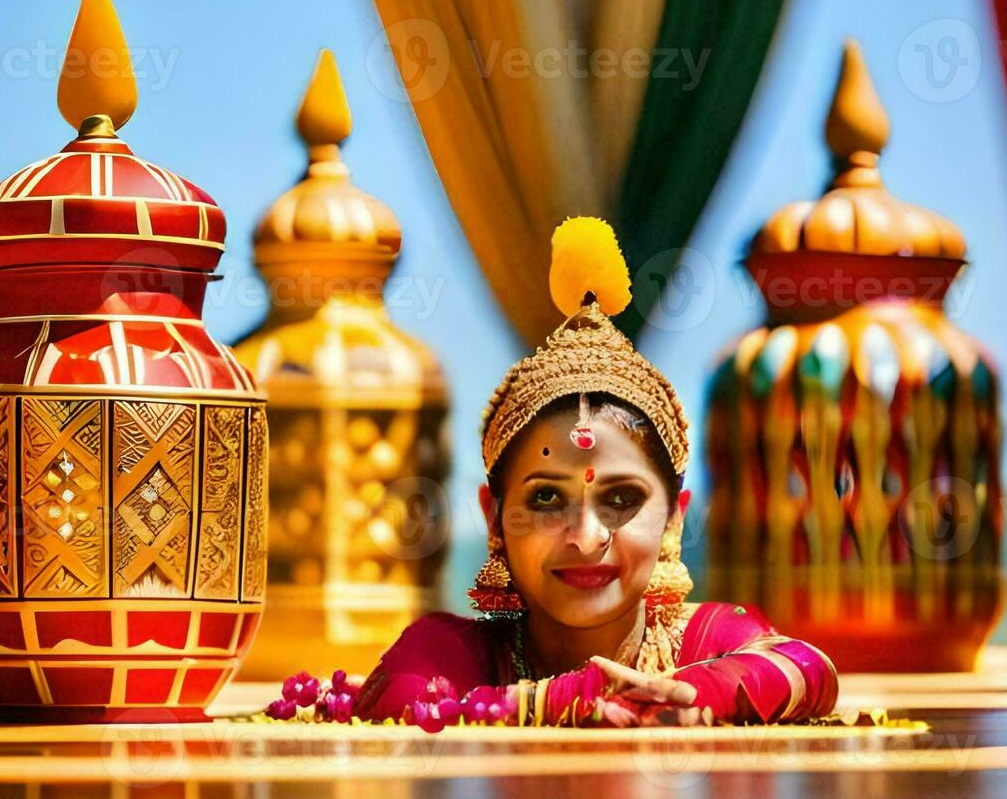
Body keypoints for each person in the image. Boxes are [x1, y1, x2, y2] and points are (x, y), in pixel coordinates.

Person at [268, 218, 838, 729]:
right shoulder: (454, 652)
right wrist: (591, 695)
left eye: (621, 499)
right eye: (545, 499)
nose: (586, 536)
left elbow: (810, 671)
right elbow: (404, 701)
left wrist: (695, 691)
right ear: (494, 518)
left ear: (673, 520)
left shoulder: (703, 643)